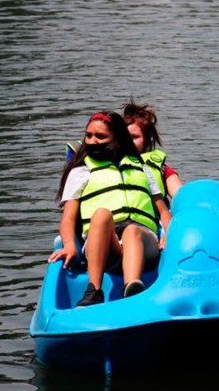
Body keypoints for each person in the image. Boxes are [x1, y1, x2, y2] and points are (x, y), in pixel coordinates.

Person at [51, 111, 173, 307]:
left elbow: (164, 212)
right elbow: (68, 219)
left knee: (132, 230)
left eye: (100, 136)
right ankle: (94, 290)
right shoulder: (80, 171)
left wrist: (169, 233)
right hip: (107, 245)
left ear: (117, 140)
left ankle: (132, 288)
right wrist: (69, 244)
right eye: (88, 135)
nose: (92, 141)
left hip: (143, 241)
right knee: (101, 214)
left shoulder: (142, 169)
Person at [122, 99, 182, 200]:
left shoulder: (163, 170)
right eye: (124, 137)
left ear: (147, 139)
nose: (128, 142)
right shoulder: (108, 165)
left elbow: (182, 199)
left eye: (134, 137)